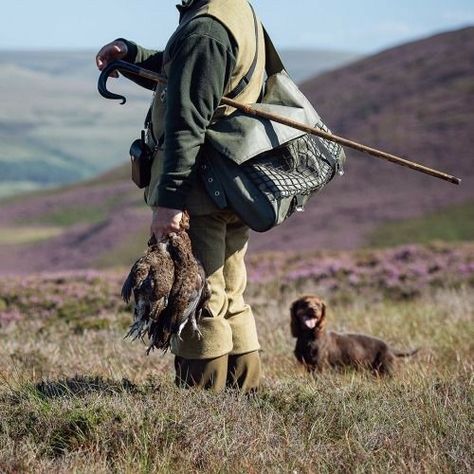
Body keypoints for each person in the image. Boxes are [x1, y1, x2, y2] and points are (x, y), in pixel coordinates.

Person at [96, 0, 266, 392]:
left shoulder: (205, 30)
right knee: (229, 296)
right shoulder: (234, 10)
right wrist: (134, 56)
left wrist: (170, 203)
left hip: (202, 188)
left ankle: (200, 414)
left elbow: (186, 124)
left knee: (199, 300)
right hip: (233, 180)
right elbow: (194, 75)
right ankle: (244, 402)